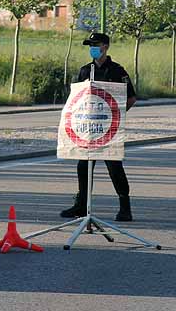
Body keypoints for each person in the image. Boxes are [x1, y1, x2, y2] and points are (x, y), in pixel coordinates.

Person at [59, 31, 138, 222]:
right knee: (83, 166)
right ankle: (82, 205)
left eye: (96, 45)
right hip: (89, 129)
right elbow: (77, 99)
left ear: (106, 46)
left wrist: (116, 116)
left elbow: (131, 97)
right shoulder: (85, 71)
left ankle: (125, 206)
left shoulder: (117, 71)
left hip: (108, 128)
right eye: (90, 45)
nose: (92, 49)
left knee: (114, 167)